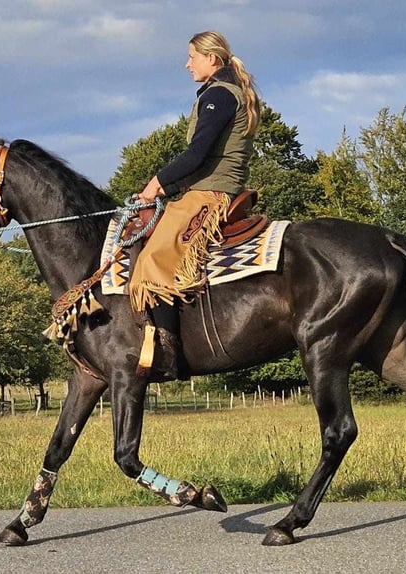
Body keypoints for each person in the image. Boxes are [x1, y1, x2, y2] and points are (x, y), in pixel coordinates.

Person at [129, 31, 261, 378]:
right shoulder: (228, 91)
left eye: (193, 57)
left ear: (212, 59)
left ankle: (170, 356)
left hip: (211, 193)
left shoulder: (219, 94)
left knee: (151, 262)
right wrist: (166, 187)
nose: (187, 64)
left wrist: (155, 185)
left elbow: (197, 154)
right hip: (205, 188)